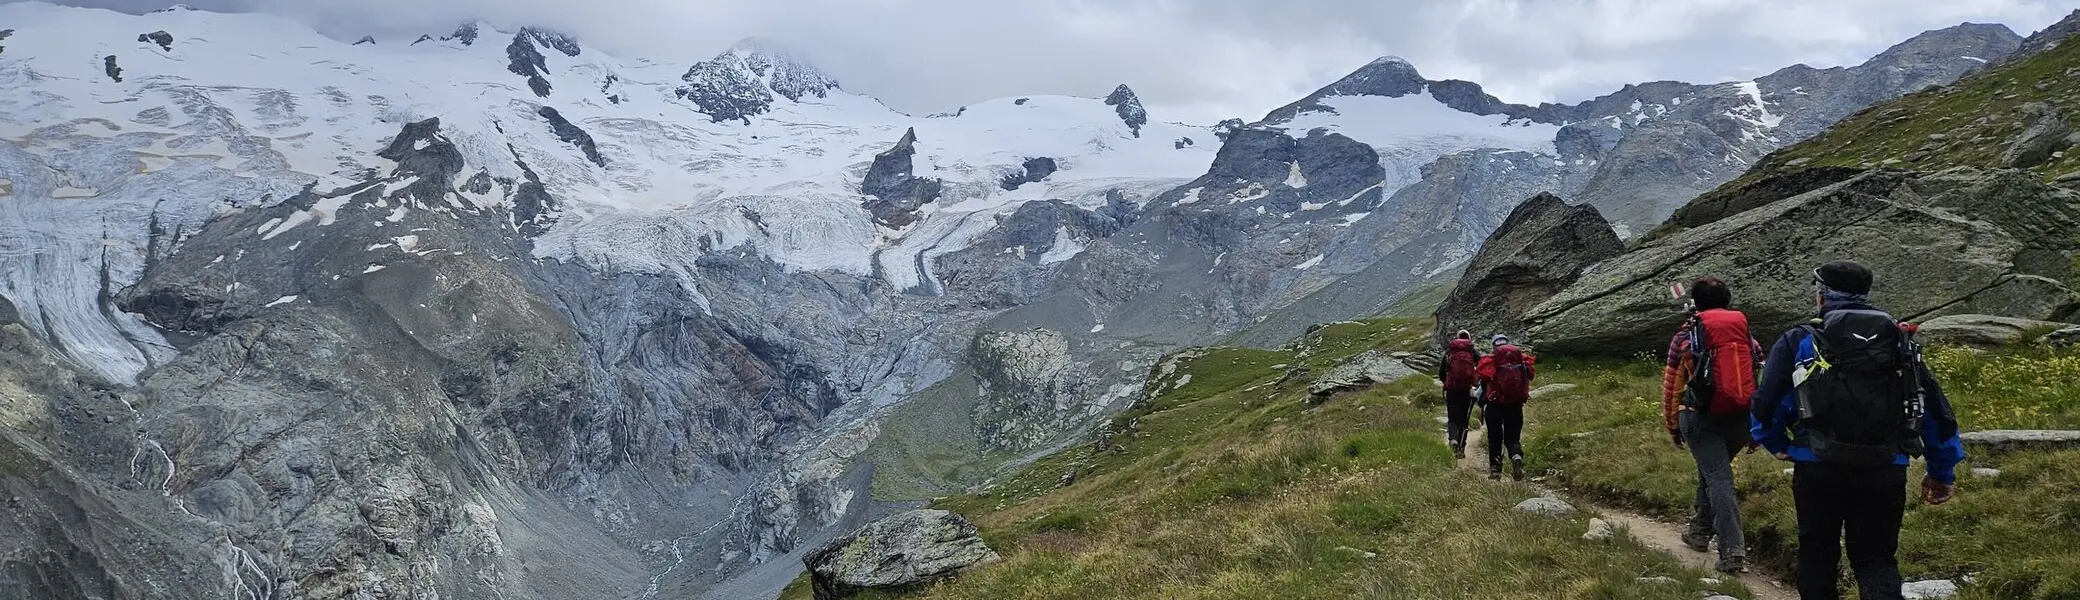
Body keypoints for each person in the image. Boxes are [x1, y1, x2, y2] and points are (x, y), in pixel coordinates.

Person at [1751, 261, 1965, 600]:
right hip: (1885, 465)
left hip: (1816, 463)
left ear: (1821, 295)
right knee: (1876, 559)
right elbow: (1933, 408)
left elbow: (1767, 400)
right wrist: (1942, 470)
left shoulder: (1800, 338)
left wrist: (1774, 441)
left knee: (1817, 553)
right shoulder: (1898, 338)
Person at [1662, 277, 1763, 574]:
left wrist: (1672, 425)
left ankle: (1732, 550)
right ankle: (1699, 531)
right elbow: (1758, 381)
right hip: (1740, 417)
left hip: (1699, 416)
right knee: (1713, 472)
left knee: (1718, 478)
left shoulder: (1686, 337)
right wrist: (1756, 427)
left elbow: (1672, 385)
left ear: (1696, 303)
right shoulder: (1747, 337)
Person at [1476, 334, 1535, 481]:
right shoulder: (1522, 360)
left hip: (1494, 406)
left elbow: (1482, 381)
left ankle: (1495, 470)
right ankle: (1515, 455)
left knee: (1494, 438)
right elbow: (1530, 376)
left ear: (1494, 346)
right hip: (1515, 406)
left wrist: (1481, 401)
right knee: (1512, 437)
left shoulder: (1491, 361)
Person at [1437, 330, 1483, 459]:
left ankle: (1453, 439)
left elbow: (1441, 372)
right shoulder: (1472, 351)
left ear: (1456, 338)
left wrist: (1446, 383)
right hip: (1467, 390)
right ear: (1469, 338)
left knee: (1452, 418)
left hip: (1452, 390)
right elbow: (1483, 367)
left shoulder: (1450, 351)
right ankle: (1461, 449)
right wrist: (1476, 383)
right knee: (1464, 419)